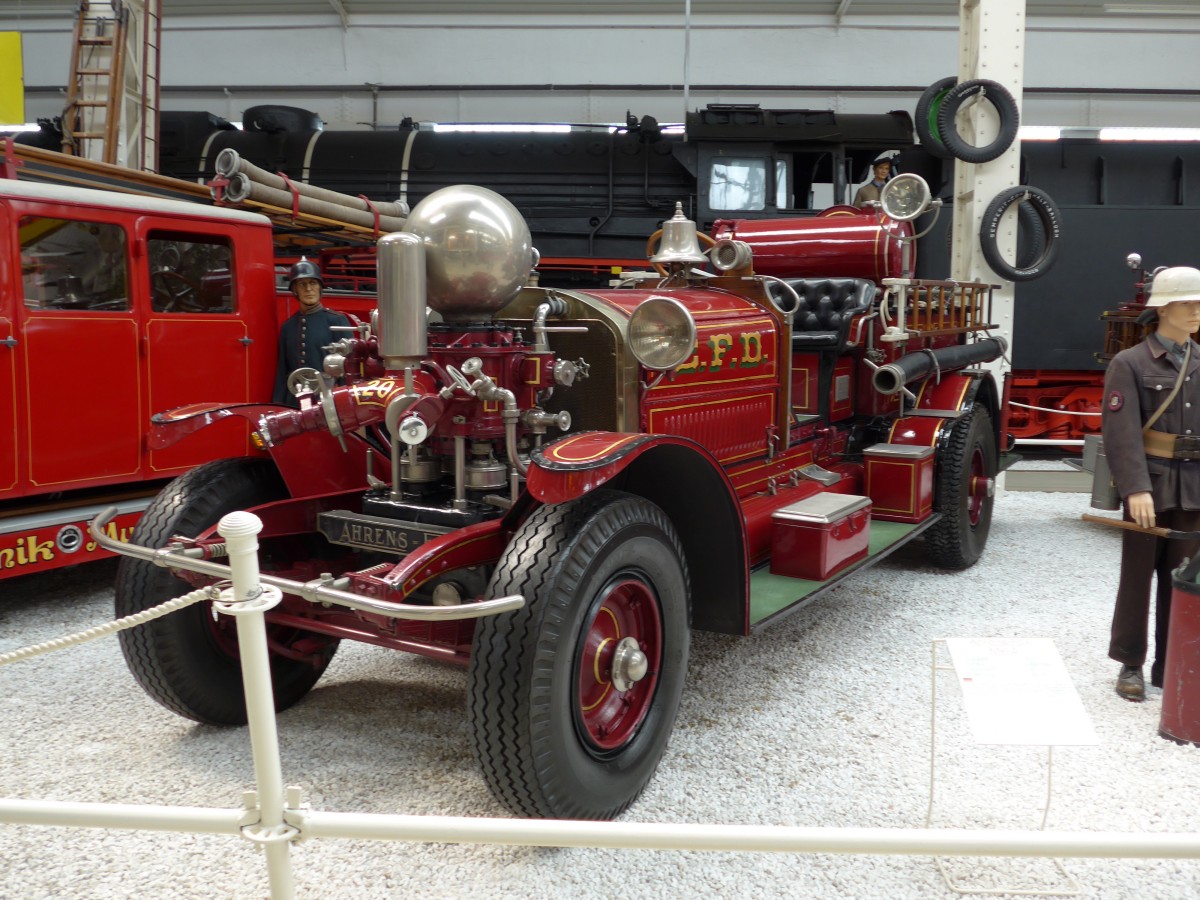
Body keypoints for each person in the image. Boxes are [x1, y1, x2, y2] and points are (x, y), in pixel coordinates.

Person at [1102, 265, 1200, 701]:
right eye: (1187, 302)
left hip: (1194, 486)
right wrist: (1135, 488)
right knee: (1138, 577)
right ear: (1163, 309)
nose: (1196, 311)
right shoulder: (1130, 363)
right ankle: (1131, 663)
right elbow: (1121, 433)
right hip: (1151, 484)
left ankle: (1172, 661)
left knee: (1184, 577)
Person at [272, 258, 351, 408]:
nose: (308, 289)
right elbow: (282, 370)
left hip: (328, 400)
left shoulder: (336, 321)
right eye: (302, 284)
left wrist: (344, 403)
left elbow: (347, 367)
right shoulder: (288, 327)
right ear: (295, 290)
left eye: (313, 283)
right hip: (295, 399)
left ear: (320, 287)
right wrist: (278, 405)